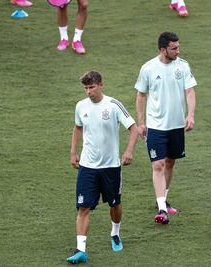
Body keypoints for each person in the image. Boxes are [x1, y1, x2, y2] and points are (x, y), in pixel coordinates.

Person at [67, 71, 138, 264]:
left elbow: (134, 128)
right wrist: (73, 152)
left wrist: (129, 151)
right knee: (83, 207)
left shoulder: (113, 105)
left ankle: (115, 233)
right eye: (86, 88)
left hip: (111, 167)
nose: (88, 92)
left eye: (92, 87)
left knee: (114, 204)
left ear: (101, 85)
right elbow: (78, 127)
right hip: (87, 167)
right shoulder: (81, 106)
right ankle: (81, 249)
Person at [135, 32, 196, 224]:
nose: (178, 50)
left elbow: (190, 91)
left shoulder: (183, 65)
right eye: (174, 48)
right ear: (163, 49)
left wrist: (191, 115)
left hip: (177, 125)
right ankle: (162, 209)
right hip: (156, 126)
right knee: (158, 165)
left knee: (170, 162)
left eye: (178, 47)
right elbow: (141, 95)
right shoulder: (148, 68)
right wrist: (141, 122)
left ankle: (162, 199)